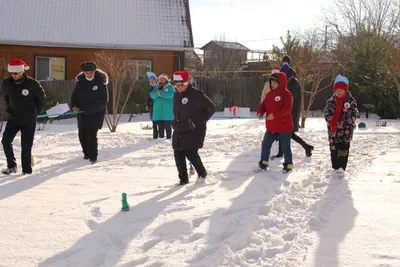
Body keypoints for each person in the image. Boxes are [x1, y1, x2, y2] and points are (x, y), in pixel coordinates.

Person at [1, 59, 46, 175]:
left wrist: (35, 112)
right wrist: (9, 109)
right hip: (13, 118)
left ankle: (26, 170)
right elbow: (5, 97)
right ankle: (12, 166)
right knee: (5, 141)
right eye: (11, 73)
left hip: (28, 120)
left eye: (15, 73)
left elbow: (41, 99)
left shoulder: (33, 84)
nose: (13, 75)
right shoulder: (6, 83)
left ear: (21, 71)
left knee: (26, 146)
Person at [172, 70, 216, 185]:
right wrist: (173, 122)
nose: (178, 88)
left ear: (187, 83)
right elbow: (176, 110)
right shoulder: (176, 94)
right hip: (179, 128)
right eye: (176, 85)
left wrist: (197, 122)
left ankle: (202, 173)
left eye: (181, 85)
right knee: (178, 153)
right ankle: (183, 179)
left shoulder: (196, 94)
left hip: (193, 130)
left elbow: (211, 108)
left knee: (190, 152)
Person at [272, 63, 314, 159]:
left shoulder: (294, 83)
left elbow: (290, 98)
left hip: (292, 112)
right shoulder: (288, 82)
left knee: (288, 132)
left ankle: (306, 147)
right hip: (287, 111)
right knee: (284, 131)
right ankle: (306, 147)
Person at [70, 61, 109, 164]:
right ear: (83, 73)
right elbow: (74, 97)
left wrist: (90, 109)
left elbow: (103, 100)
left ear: (94, 72)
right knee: (82, 134)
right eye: (87, 73)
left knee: (92, 135)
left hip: (96, 114)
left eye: (91, 72)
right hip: (82, 114)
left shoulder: (100, 82)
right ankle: (86, 154)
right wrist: (74, 106)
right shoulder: (80, 83)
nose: (89, 75)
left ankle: (93, 156)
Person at [257, 72, 294, 173]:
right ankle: (263, 163)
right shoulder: (269, 94)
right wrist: (260, 112)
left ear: (280, 83)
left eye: (274, 82)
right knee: (265, 145)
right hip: (272, 126)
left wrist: (275, 114)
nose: (272, 85)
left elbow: (287, 109)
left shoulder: (287, 94)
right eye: (271, 82)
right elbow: (263, 105)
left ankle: (288, 164)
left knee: (285, 146)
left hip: (284, 126)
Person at [324, 74, 358, 177]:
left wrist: (346, 122)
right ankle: (335, 166)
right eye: (337, 89)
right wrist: (332, 121)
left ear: (345, 90)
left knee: (343, 148)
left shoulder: (351, 101)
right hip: (333, 130)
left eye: (341, 89)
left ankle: (342, 167)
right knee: (334, 148)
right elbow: (326, 113)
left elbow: (354, 114)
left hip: (346, 130)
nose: (338, 92)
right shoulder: (330, 101)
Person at [150, 73, 175, 139]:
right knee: (160, 125)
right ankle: (161, 137)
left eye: (163, 78)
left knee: (167, 125)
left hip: (167, 110)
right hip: (158, 110)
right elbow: (152, 95)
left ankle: (169, 137)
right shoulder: (156, 87)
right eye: (160, 79)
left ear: (166, 79)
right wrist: (157, 94)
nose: (161, 80)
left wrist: (161, 94)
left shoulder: (170, 87)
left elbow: (171, 95)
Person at [146, 72, 158, 139]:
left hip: (159, 106)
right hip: (152, 106)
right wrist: (147, 105)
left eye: (153, 80)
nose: (151, 82)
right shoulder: (149, 89)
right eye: (150, 81)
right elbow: (147, 98)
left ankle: (161, 133)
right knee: (154, 121)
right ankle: (155, 135)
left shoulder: (159, 88)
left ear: (155, 81)